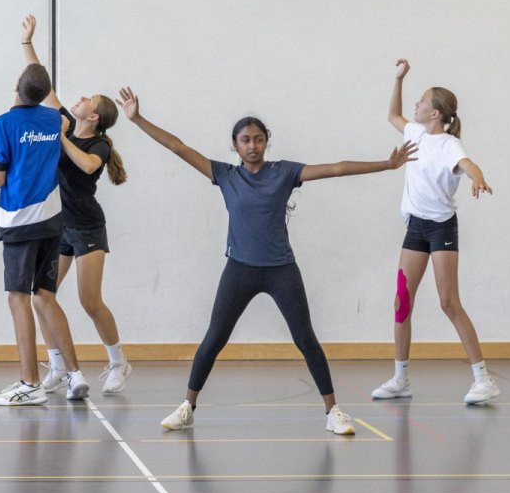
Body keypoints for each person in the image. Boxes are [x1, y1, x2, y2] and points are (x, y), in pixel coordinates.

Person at [118, 86, 415, 436]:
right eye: (245, 140)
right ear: (235, 145)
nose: (253, 145)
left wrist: (388, 164)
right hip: (239, 270)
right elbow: (178, 147)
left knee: (305, 339)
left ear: (266, 142)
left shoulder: (284, 172)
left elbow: (335, 169)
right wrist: (137, 119)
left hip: (280, 270)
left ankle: (333, 410)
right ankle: (188, 406)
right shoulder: (226, 176)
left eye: (259, 139)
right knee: (214, 338)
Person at [371, 60, 499, 405]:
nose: (417, 105)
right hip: (415, 227)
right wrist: (399, 79)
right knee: (401, 301)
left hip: (441, 227)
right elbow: (393, 115)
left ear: (437, 112)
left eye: (423, 101)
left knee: (448, 302)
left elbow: (469, 164)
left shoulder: (448, 146)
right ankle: (400, 378)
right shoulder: (414, 132)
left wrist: (477, 178)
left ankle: (483, 379)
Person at [19, 16, 133, 394]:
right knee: (41, 297)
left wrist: (62, 136)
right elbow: (43, 85)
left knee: (89, 301)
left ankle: (118, 362)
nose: (79, 99)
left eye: (87, 100)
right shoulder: (66, 121)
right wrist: (27, 44)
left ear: (94, 116)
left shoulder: (97, 145)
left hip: (87, 227)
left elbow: (85, 165)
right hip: (58, 226)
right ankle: (56, 366)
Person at [0, 62, 89, 406]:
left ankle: (29, 382)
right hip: (52, 219)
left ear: (16, 85)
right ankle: (75, 374)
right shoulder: (55, 120)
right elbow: (61, 118)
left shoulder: (3, 124)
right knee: (46, 295)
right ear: (45, 95)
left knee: (19, 298)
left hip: (19, 220)